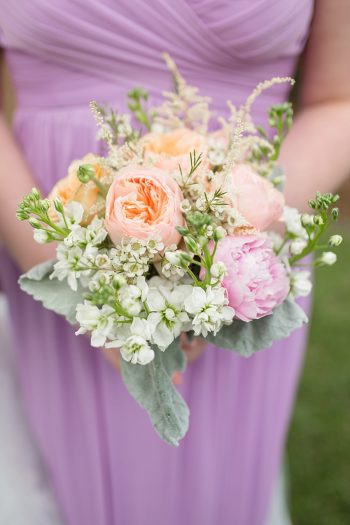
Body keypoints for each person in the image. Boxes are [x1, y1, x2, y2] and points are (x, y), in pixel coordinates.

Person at [0, 1, 349, 524]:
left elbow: (339, 99)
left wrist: (219, 253)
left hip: (241, 267)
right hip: (45, 243)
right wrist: (76, 270)